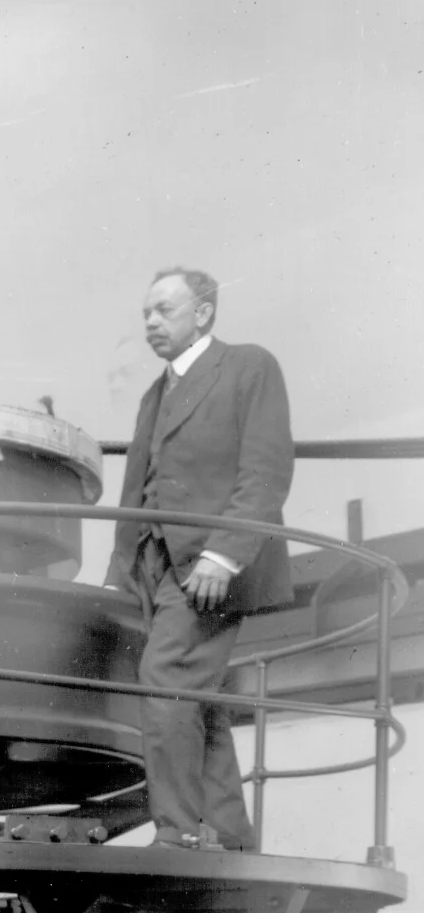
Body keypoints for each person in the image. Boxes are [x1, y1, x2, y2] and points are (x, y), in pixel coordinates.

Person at [108, 267, 293, 848]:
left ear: (205, 312)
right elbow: (137, 488)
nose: (151, 323)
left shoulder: (248, 367)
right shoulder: (154, 394)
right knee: (195, 696)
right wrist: (120, 573)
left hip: (211, 567)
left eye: (164, 310)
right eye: (145, 314)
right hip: (155, 565)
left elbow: (266, 471)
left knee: (165, 681)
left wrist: (225, 555)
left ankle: (178, 832)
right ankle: (229, 832)